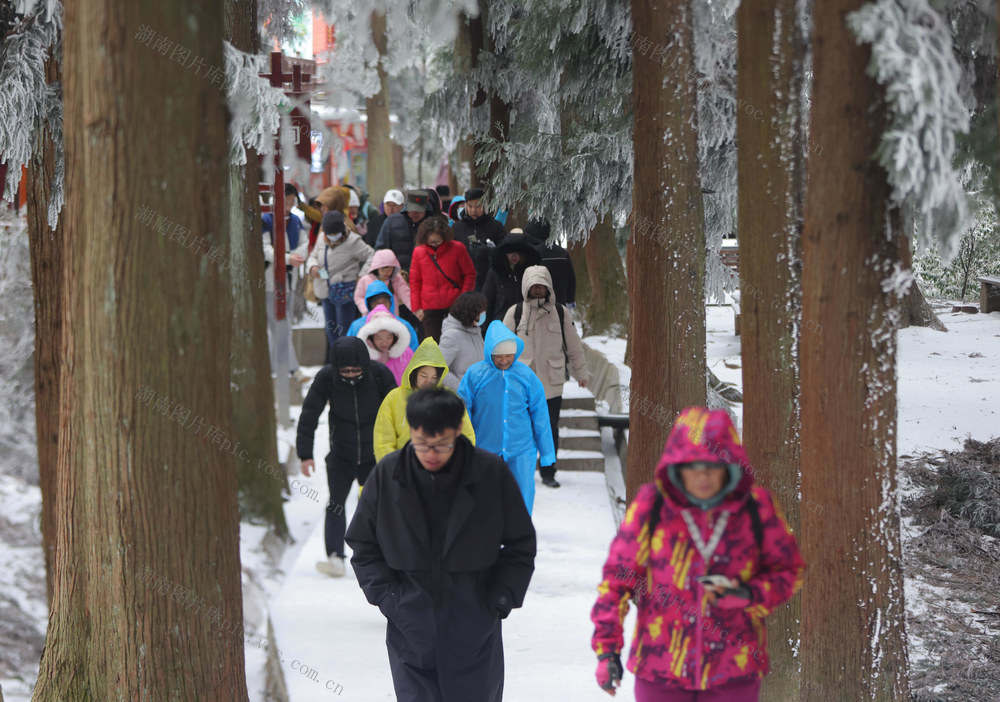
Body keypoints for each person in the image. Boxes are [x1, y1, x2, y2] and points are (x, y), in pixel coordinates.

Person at [590, 407, 805, 701]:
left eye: (712, 467)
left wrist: (748, 595)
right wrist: (607, 650)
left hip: (733, 672)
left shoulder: (756, 507)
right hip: (661, 669)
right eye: (693, 467)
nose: (703, 477)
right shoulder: (652, 506)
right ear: (677, 467)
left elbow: (789, 571)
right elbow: (616, 580)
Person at [345, 389, 536, 702]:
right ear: (411, 430)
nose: (431, 454)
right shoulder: (387, 475)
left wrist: (499, 599)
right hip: (411, 633)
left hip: (474, 629)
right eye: (421, 443)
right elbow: (363, 546)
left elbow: (520, 544)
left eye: (441, 444)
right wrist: (390, 599)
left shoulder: (490, 474)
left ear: (458, 429)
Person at [297, 336, 397, 577]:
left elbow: (397, 411)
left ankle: (383, 553)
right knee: (336, 504)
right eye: (345, 371)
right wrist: (305, 454)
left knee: (378, 506)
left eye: (355, 370)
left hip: (374, 454)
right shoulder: (327, 377)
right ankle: (335, 556)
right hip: (341, 453)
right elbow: (310, 413)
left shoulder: (379, 374)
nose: (350, 375)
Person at [502, 265, 588, 489]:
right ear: (526, 287)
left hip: (552, 381)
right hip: (522, 382)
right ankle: (522, 470)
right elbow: (501, 346)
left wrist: (580, 372)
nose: (538, 289)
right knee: (521, 428)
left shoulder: (561, 312)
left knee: (549, 428)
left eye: (541, 285)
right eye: (534, 285)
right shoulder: (515, 312)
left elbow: (574, 345)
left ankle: (549, 471)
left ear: (549, 286)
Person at [458, 322, 555, 514]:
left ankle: (521, 527)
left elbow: (540, 415)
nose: (504, 360)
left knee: (522, 494)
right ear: (489, 352)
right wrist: (464, 446)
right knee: (483, 496)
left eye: (508, 355)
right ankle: (486, 527)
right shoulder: (475, 375)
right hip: (484, 448)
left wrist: (547, 452)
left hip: (521, 448)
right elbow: (462, 410)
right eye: (498, 356)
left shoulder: (526, 375)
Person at [373, 338, 476, 461]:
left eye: (434, 377)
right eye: (424, 376)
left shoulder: (448, 400)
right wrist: (393, 467)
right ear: (414, 373)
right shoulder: (394, 398)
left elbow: (466, 435)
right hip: (402, 466)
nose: (429, 381)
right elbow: (383, 439)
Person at [262, 183, 310, 385]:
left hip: (290, 281)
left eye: (292, 202)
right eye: (285, 202)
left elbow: (305, 244)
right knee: (278, 326)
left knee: (285, 326)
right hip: (270, 281)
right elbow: (265, 248)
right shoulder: (266, 220)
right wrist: (287, 258)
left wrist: (295, 257)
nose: (288, 207)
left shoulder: (296, 221)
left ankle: (274, 366)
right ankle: (293, 369)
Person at [308, 211, 374, 351]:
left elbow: (371, 255)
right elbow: (313, 255)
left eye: (335, 233)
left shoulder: (353, 241)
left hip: (344, 291)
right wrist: (313, 267)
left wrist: (361, 276)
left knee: (344, 329)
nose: (332, 236)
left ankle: (347, 358)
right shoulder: (321, 238)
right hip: (326, 290)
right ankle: (336, 359)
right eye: (329, 234)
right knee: (331, 330)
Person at [409, 215, 476, 342]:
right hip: (430, 308)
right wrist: (417, 308)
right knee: (433, 346)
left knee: (457, 342)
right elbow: (414, 281)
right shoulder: (418, 252)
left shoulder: (458, 248)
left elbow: (470, 274)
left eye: (437, 241)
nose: (434, 244)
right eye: (431, 242)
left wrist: (464, 299)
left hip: (455, 306)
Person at [451, 187, 508, 291]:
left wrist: (488, 251)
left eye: (478, 206)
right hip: (464, 282)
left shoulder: (496, 227)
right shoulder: (457, 228)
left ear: (485, 205)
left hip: (490, 281)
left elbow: (505, 251)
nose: (473, 210)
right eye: (470, 206)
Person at [481, 230, 542, 323]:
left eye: (518, 252)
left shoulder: (531, 273)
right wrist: (485, 327)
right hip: (502, 324)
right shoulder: (495, 273)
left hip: (526, 323)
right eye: (510, 252)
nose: (514, 255)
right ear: (504, 253)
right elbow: (487, 301)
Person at [348, 280, 419, 352]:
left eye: (384, 302)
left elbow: (413, 351)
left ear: (391, 303)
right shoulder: (357, 326)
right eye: (376, 303)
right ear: (369, 305)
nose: (381, 306)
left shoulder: (404, 326)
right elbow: (350, 351)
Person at [522, 218, 576, 307]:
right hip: (560, 303)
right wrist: (570, 299)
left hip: (537, 304)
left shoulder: (533, 253)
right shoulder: (563, 253)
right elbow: (571, 279)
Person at [439, 291, 486, 391]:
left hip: (480, 392)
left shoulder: (476, 331)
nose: (483, 314)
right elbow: (440, 369)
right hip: (463, 395)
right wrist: (462, 389)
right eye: (480, 312)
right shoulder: (451, 336)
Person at [357, 304, 414, 386]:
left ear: (395, 336)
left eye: (389, 337)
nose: (384, 342)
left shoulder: (406, 354)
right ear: (370, 338)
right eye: (379, 338)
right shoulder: (363, 356)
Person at [375, 189, 430, 271]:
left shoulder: (431, 225)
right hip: (397, 273)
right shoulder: (391, 221)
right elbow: (380, 249)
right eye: (413, 209)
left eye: (419, 210)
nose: (415, 213)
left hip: (424, 272)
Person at [353, 249, 412, 317]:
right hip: (371, 317)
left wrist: (416, 310)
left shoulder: (396, 279)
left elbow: (406, 295)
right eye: (383, 270)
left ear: (394, 269)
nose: (386, 273)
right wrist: (365, 309)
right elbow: (358, 297)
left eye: (389, 270)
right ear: (376, 268)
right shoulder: (365, 280)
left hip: (391, 317)